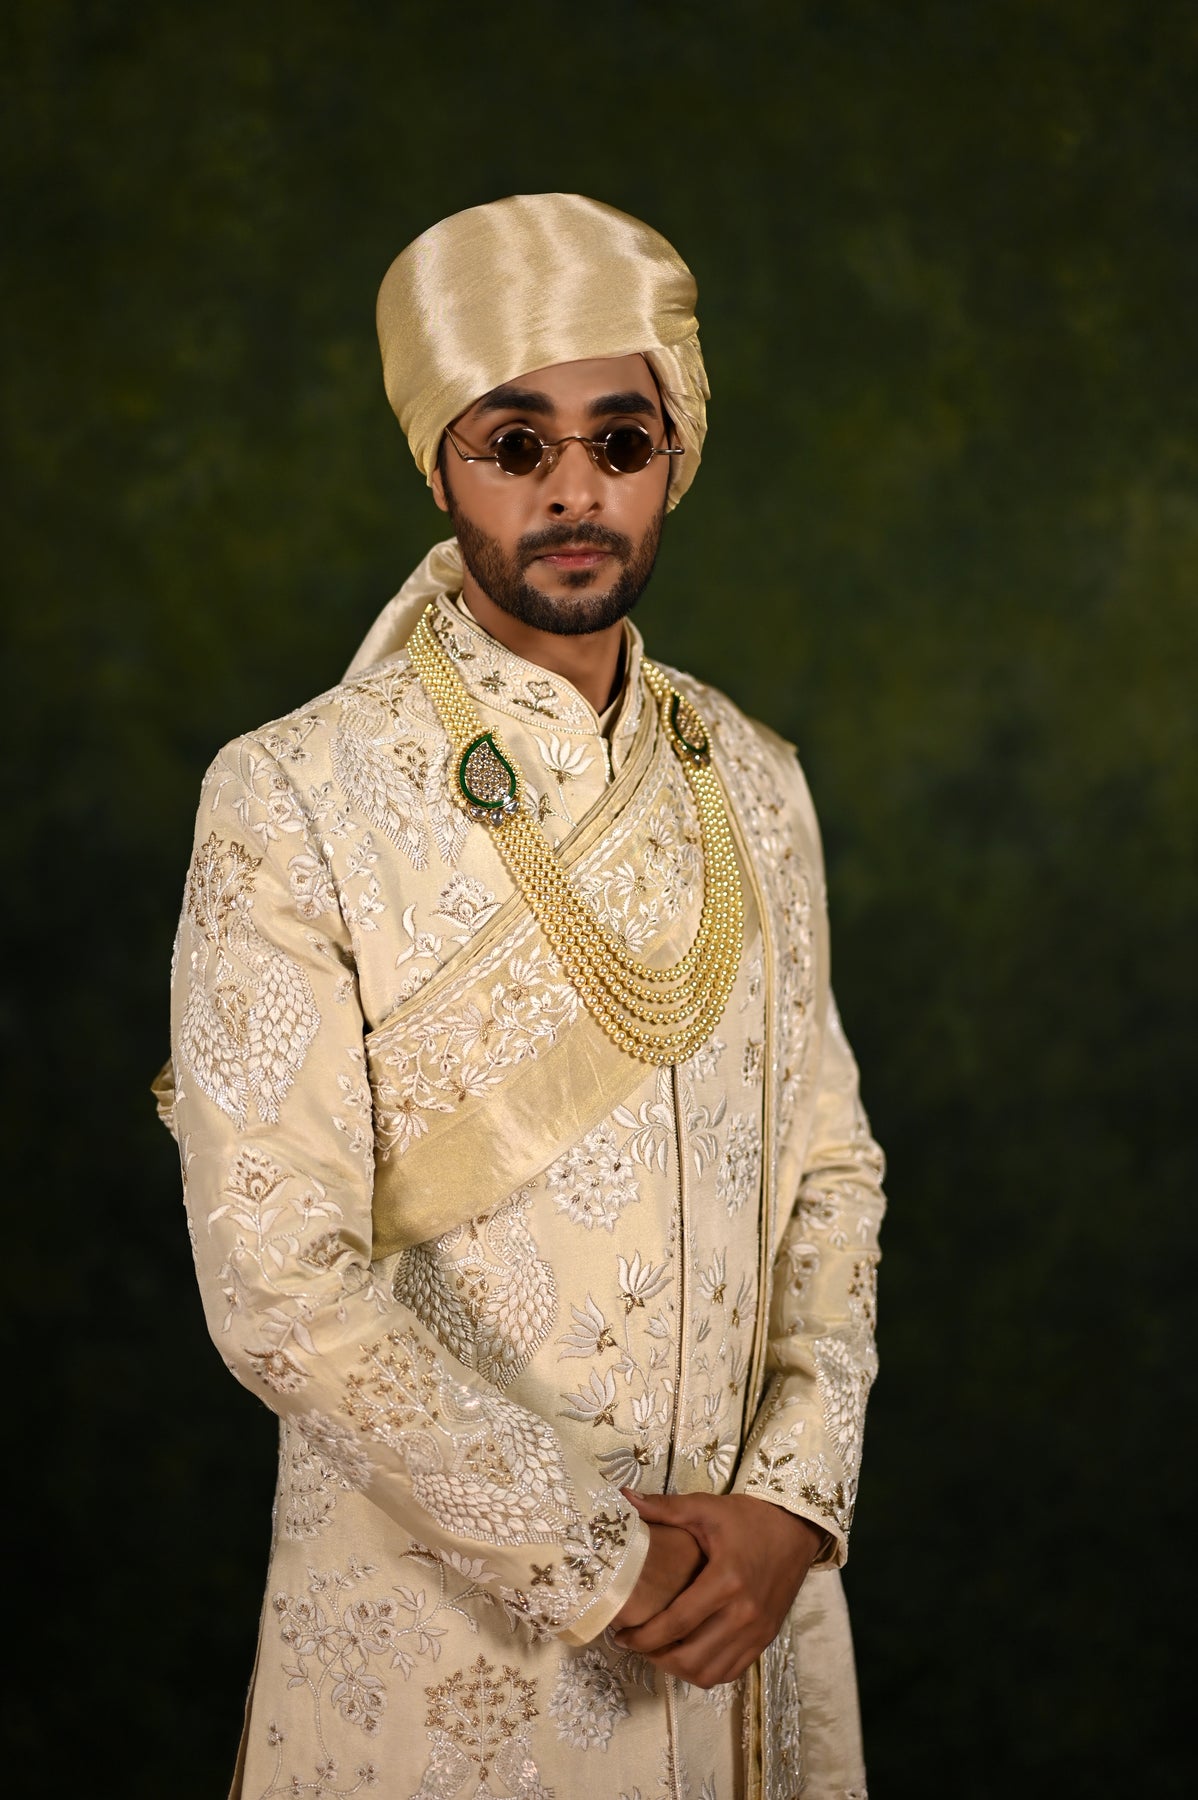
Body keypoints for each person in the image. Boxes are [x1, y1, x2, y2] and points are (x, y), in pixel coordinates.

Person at [156, 192, 885, 1800]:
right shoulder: (293, 794)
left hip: (752, 1618)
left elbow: (829, 1167)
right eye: (513, 442)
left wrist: (790, 1504)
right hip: (451, 1640)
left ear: (672, 457)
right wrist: (598, 1563)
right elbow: (275, 1281)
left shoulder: (752, 778)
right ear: (440, 465)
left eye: (619, 440)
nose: (570, 489)